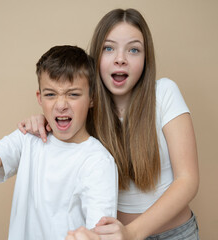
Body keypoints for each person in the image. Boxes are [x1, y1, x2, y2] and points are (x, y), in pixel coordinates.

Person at [19, 8, 199, 240]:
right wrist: (42, 121)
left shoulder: (164, 93)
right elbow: (62, 120)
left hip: (174, 235)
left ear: (146, 58)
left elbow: (188, 180)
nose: (120, 58)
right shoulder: (85, 109)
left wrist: (133, 232)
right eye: (109, 48)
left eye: (133, 49)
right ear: (97, 56)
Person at [0, 45, 118, 240]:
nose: (61, 105)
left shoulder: (99, 162)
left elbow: (100, 233)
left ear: (92, 98)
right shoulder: (28, 138)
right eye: (51, 94)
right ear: (40, 98)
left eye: (73, 94)